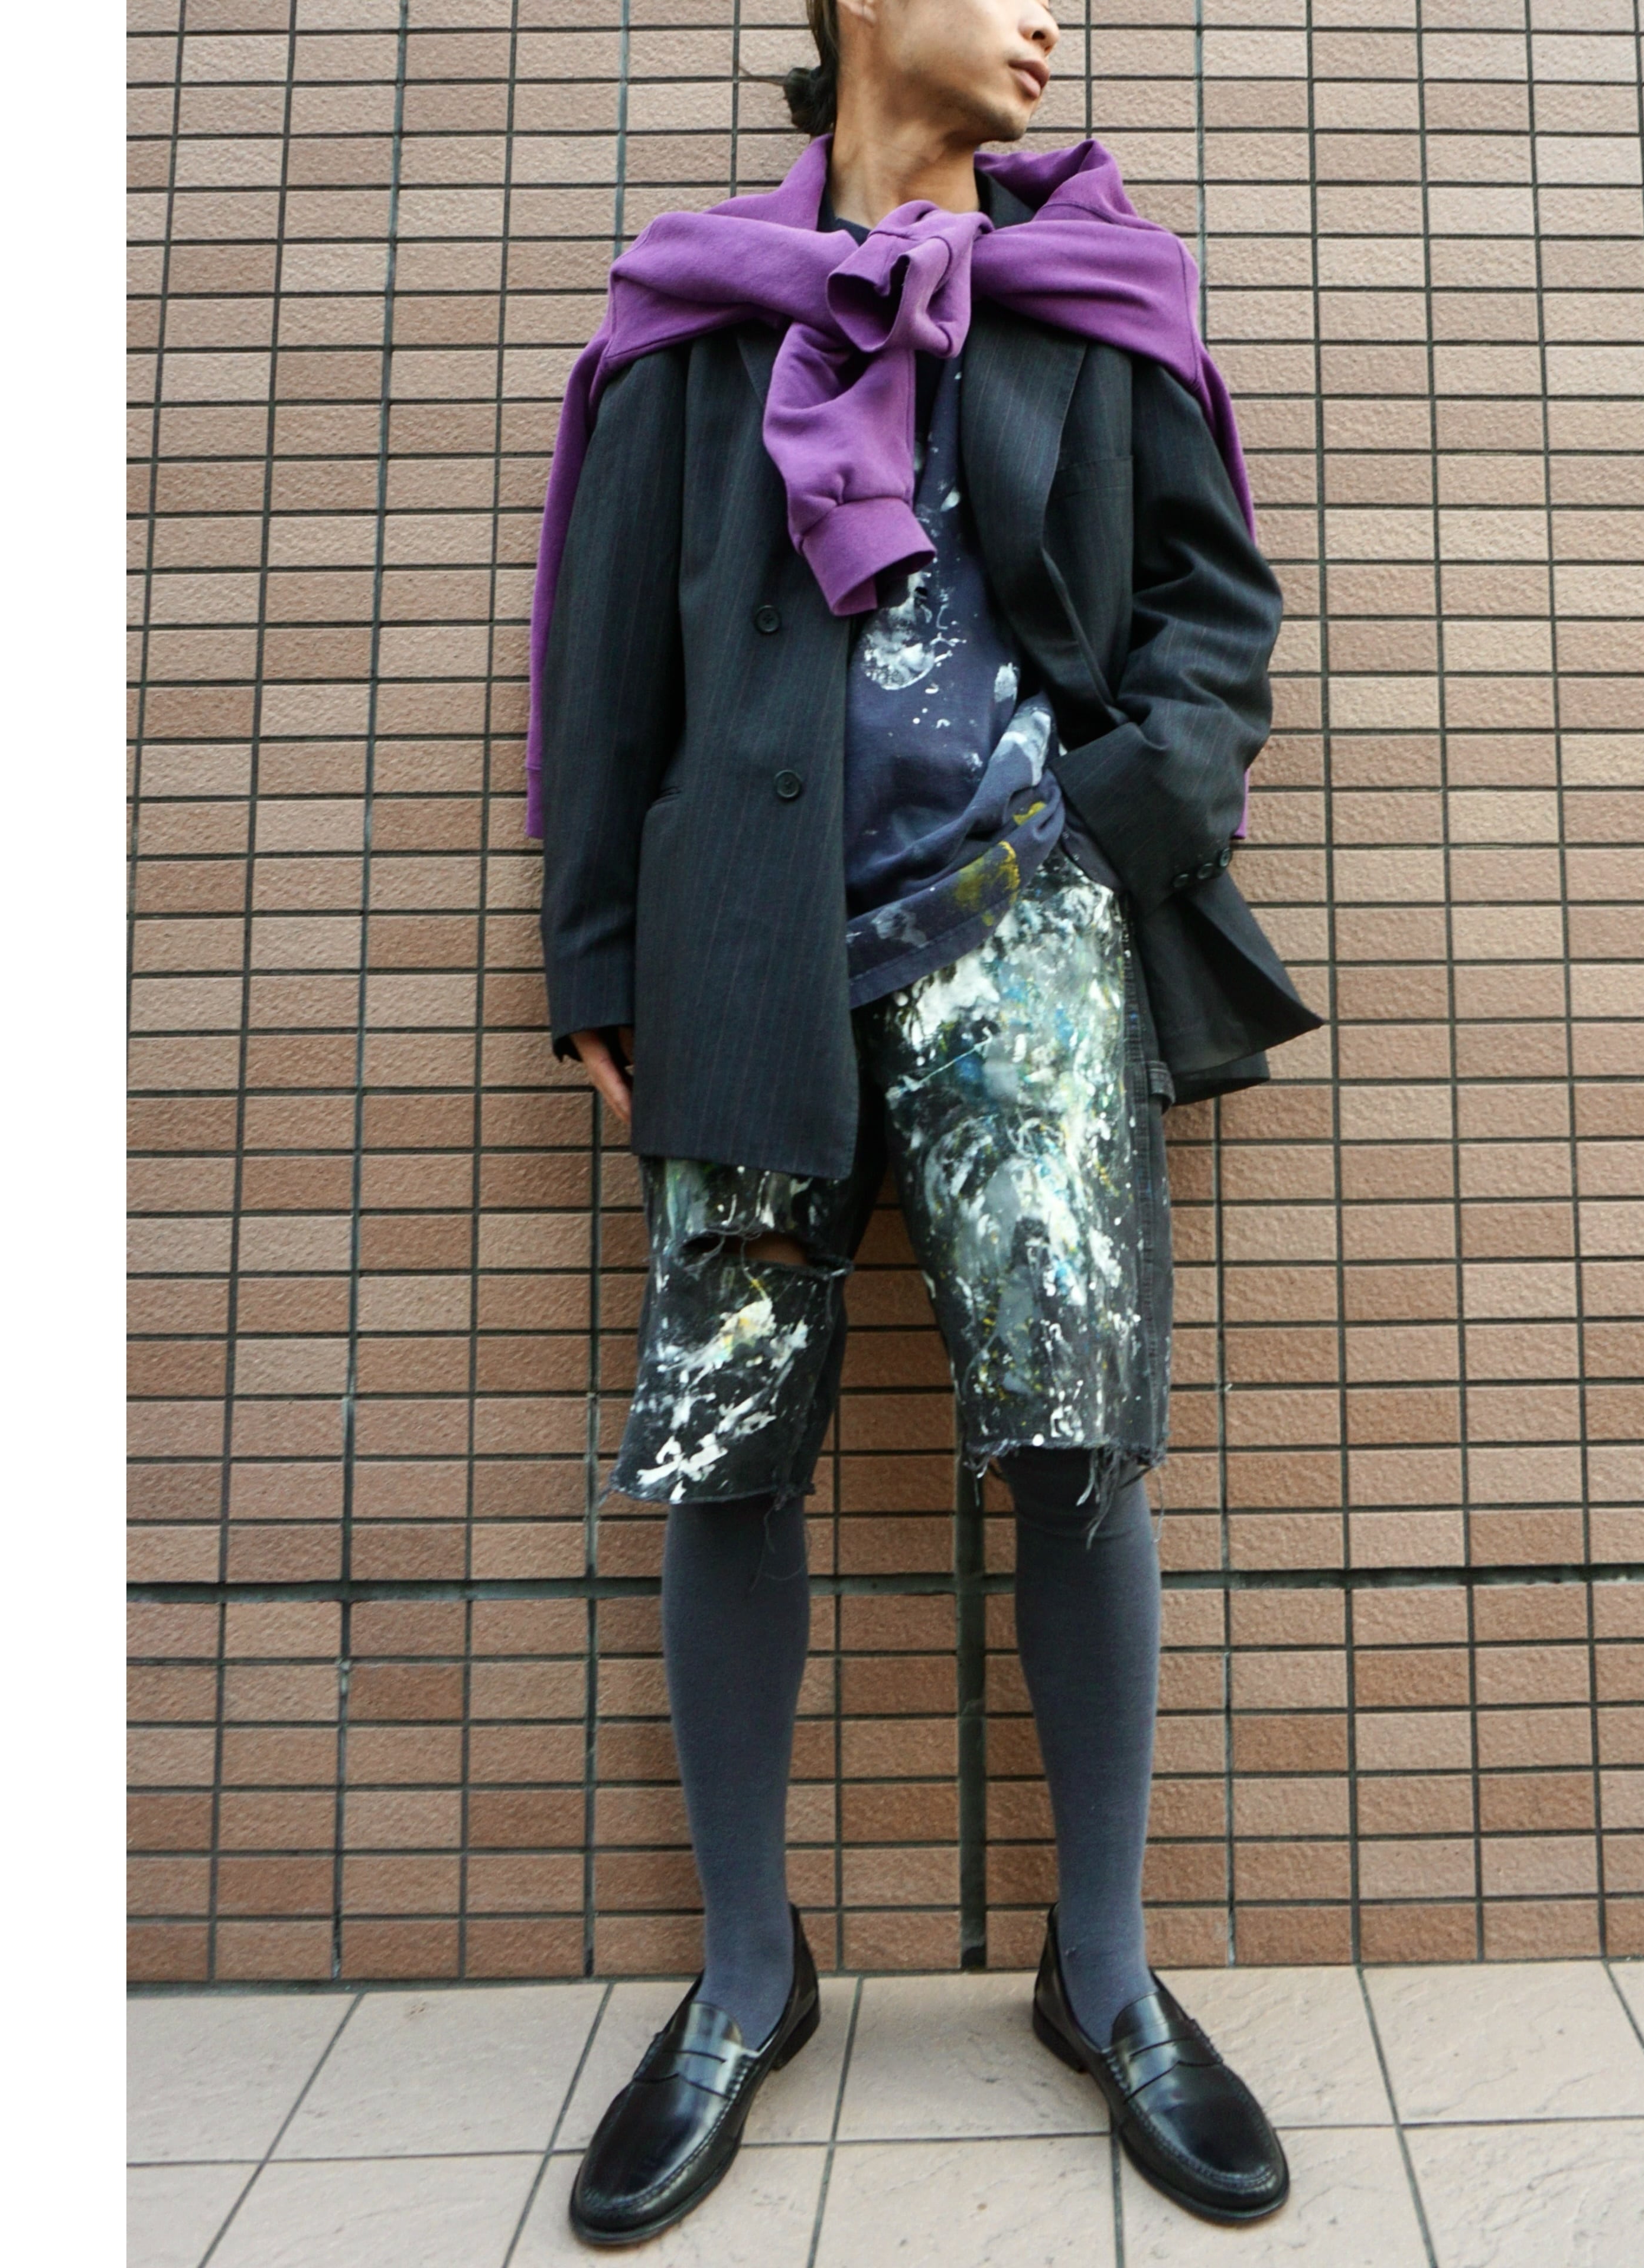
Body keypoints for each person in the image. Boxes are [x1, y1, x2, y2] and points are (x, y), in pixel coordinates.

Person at [532, 0, 1320, 2243]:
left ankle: (1105, 1977)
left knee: (1078, 1442)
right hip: (744, 937)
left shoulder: (1100, 295)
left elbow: (1214, 609)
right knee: (726, 1454)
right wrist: (598, 956)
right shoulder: (698, 314)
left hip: (1030, 937)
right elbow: (605, 653)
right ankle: (745, 1981)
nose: (1053, 19)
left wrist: (1119, 811)